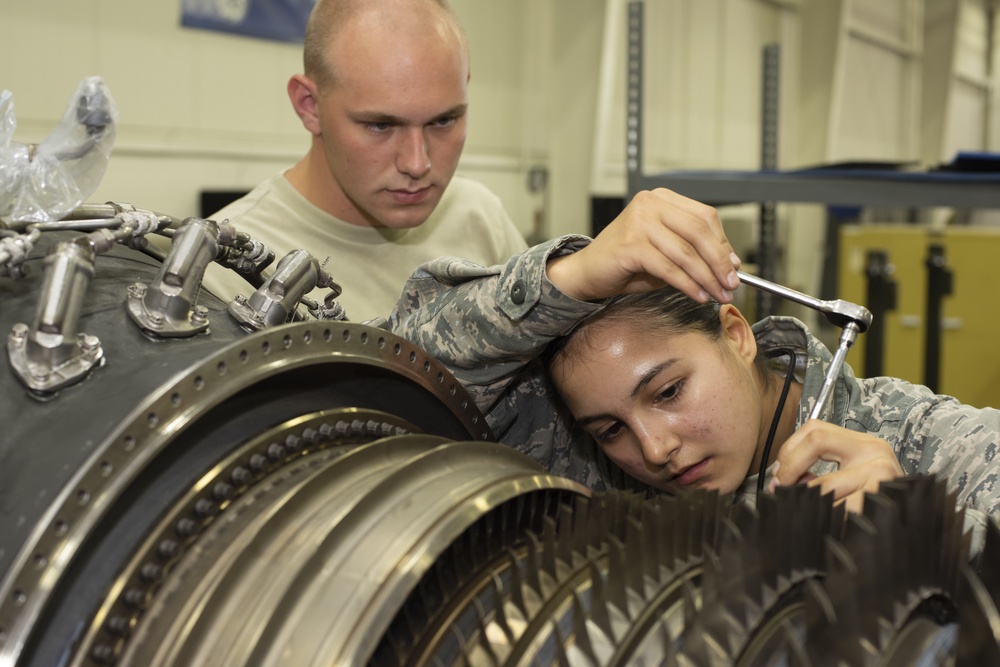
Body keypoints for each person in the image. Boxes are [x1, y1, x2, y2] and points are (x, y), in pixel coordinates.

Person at [390, 187, 998, 543]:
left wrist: (930, 529)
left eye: (670, 391)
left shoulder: (919, 441)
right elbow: (390, 374)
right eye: (610, 429)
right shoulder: (581, 461)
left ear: (735, 335)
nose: (653, 450)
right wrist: (568, 276)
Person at [201, 0, 527, 322]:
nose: (417, 164)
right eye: (380, 125)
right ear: (309, 106)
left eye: (443, 120)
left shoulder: (482, 219)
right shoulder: (224, 268)